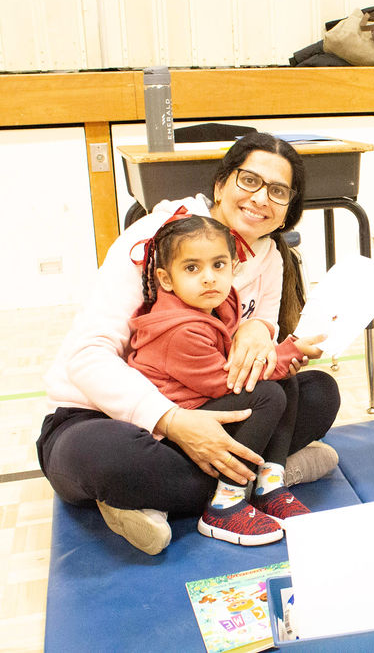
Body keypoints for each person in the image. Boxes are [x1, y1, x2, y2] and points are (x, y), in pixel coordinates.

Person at [38, 133, 340, 555]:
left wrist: (261, 331)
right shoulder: (158, 241)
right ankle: (267, 477)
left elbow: (262, 327)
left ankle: (155, 498)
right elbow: (86, 358)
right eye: (249, 181)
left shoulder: (270, 256)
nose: (260, 199)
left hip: (205, 400)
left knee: (317, 393)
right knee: (102, 457)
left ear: (289, 208)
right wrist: (171, 421)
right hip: (104, 417)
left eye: (278, 191)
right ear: (220, 185)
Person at [128, 213, 327, 545]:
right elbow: (229, 382)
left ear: (234, 266)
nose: (209, 278)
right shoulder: (178, 330)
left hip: (206, 404)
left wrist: (280, 358)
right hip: (180, 432)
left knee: (286, 384)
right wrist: (287, 352)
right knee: (269, 395)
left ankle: (268, 485)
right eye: (192, 268)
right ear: (165, 278)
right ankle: (224, 505)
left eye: (218, 265)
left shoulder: (219, 303)